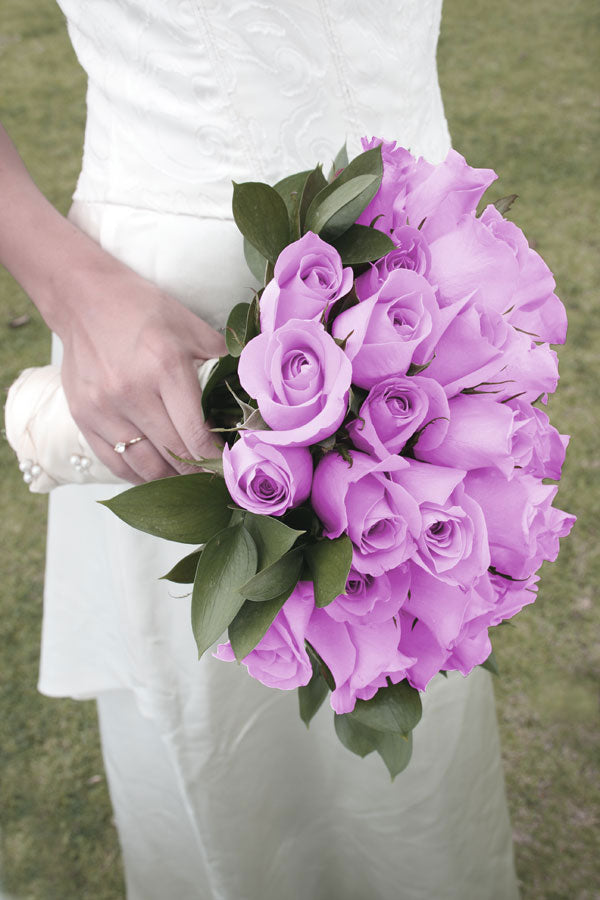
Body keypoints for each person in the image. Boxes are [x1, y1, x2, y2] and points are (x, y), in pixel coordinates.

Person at [0, 1, 520, 897]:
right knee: (217, 747)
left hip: (423, 271)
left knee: (417, 671)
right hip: (168, 317)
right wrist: (74, 292)